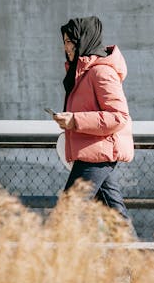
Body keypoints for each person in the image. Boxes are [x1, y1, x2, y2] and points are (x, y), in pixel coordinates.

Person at [52, 16, 134, 221]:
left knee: (66, 215)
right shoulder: (82, 74)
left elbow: (119, 116)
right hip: (93, 152)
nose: (66, 47)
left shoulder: (101, 72)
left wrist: (74, 121)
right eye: (64, 42)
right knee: (115, 218)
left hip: (98, 152)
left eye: (70, 41)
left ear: (83, 40)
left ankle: (56, 252)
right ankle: (137, 253)